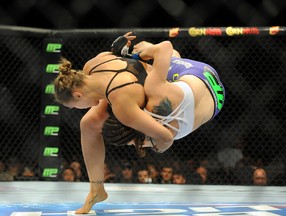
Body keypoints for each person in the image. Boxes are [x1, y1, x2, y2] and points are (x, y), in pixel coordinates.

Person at [53, 32, 225, 213]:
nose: (76, 110)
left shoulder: (124, 106)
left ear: (78, 95)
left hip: (209, 94)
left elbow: (166, 138)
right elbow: (162, 50)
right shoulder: (94, 64)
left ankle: (146, 52)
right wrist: (129, 53)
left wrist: (144, 143)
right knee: (88, 123)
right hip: (184, 74)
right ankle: (96, 189)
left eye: (73, 106)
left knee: (134, 133)